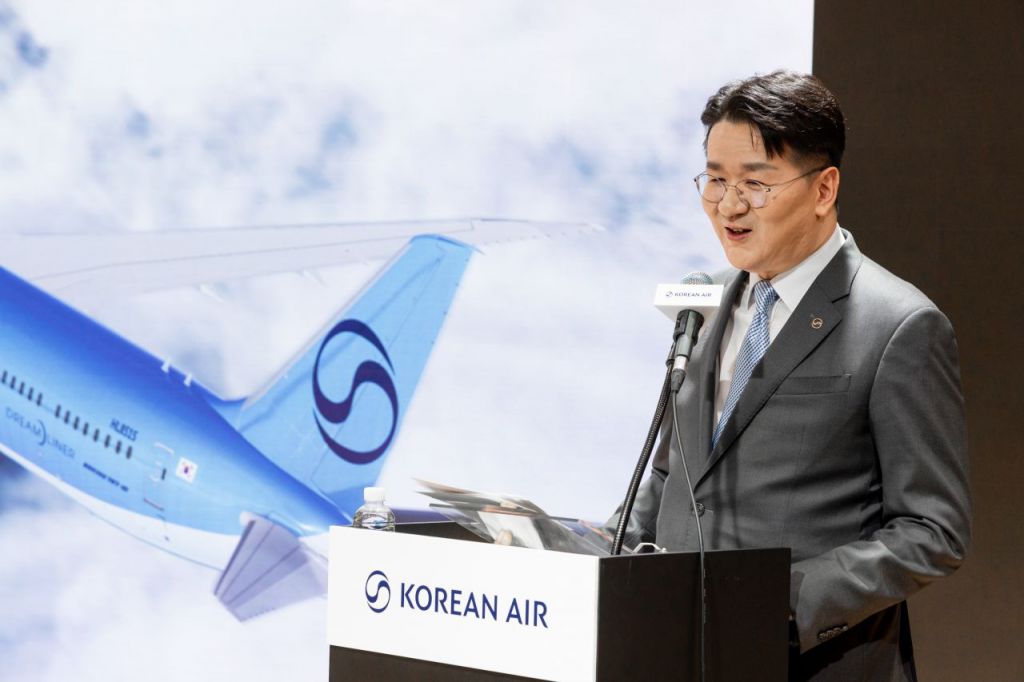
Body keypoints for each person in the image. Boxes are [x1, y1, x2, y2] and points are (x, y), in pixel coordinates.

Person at [618, 71, 970, 681]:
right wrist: (612, 560)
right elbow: (674, 472)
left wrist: (781, 606)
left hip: (810, 663)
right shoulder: (703, 303)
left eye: (756, 183)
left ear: (824, 188)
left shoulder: (899, 324)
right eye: (716, 180)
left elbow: (932, 529)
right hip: (677, 652)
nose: (729, 206)